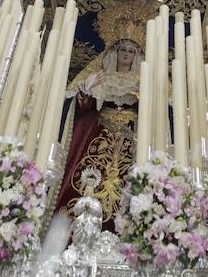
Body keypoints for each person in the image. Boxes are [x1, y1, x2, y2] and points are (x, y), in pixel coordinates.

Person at [55, 36, 146, 230]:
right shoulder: (102, 76)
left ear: (136, 56)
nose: (126, 54)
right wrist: (88, 88)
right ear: (115, 53)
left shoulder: (141, 80)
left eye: (131, 51)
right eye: (123, 50)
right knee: (88, 178)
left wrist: (145, 94)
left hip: (132, 135)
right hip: (100, 132)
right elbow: (84, 108)